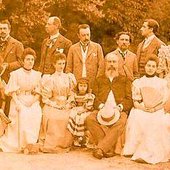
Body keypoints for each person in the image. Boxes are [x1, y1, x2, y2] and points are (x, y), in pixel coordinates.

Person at [123, 55, 170, 164]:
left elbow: (163, 102)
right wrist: (143, 108)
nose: (150, 68)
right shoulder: (138, 82)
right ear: (145, 67)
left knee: (157, 121)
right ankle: (134, 149)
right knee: (137, 116)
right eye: (148, 66)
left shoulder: (162, 83)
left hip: (156, 110)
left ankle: (149, 152)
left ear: (157, 68)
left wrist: (154, 109)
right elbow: (135, 101)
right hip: (142, 108)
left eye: (153, 66)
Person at [85, 53, 133, 159]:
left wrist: (120, 107)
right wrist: (101, 106)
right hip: (102, 110)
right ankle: (107, 148)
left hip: (119, 110)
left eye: (114, 62)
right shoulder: (99, 79)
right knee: (89, 119)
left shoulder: (125, 80)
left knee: (122, 122)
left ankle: (100, 149)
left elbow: (129, 100)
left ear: (118, 64)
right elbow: (95, 98)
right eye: (109, 62)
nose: (111, 64)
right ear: (105, 64)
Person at [0, 48, 42, 153]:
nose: (30, 62)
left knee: (36, 112)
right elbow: (12, 91)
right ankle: (21, 144)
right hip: (18, 99)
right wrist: (18, 103)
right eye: (28, 59)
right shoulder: (16, 74)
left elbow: (38, 92)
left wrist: (33, 102)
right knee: (22, 112)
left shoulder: (37, 74)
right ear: (23, 61)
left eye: (32, 59)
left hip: (32, 99)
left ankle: (31, 143)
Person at [39, 53, 76, 153]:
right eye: (59, 63)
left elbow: (71, 93)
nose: (61, 66)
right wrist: (56, 105)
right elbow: (45, 98)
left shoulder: (68, 77)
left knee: (68, 116)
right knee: (53, 118)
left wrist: (68, 103)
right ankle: (52, 145)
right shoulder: (50, 78)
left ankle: (65, 144)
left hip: (66, 104)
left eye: (63, 63)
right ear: (54, 64)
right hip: (54, 103)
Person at [0, 19, 24, 115]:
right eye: (0, 29)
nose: (2, 31)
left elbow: (22, 62)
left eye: (4, 28)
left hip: (9, 81)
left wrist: (8, 65)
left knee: (8, 108)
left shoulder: (17, 44)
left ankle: (6, 128)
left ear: (9, 30)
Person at [67, 78, 95, 147]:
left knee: (82, 118)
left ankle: (84, 139)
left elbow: (89, 106)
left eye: (84, 86)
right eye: (81, 86)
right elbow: (72, 103)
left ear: (87, 87)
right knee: (73, 116)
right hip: (76, 109)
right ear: (78, 86)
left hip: (85, 110)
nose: (82, 88)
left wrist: (82, 110)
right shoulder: (74, 95)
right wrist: (73, 106)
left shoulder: (89, 96)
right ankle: (76, 138)